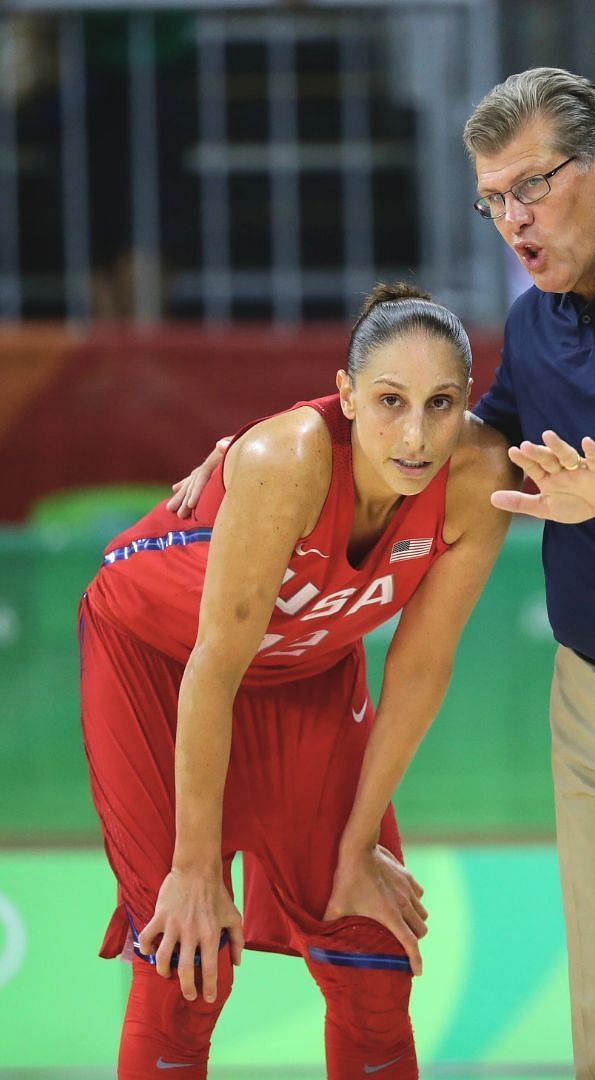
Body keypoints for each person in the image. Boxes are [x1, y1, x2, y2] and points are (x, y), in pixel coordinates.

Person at [172, 67, 595, 1078]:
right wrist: (265, 449)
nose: (512, 220)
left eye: (531, 186)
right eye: (492, 200)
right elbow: (445, 448)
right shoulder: (537, 319)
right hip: (592, 712)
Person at [82, 283, 515, 1079]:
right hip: (159, 660)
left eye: (440, 404)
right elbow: (214, 668)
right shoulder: (286, 460)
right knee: (187, 957)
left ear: (466, 406)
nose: (415, 435)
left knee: (373, 950)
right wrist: (194, 867)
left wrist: (357, 848)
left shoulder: (478, 480)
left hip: (306, 668)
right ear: (346, 395)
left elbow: (420, 668)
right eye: (389, 400)